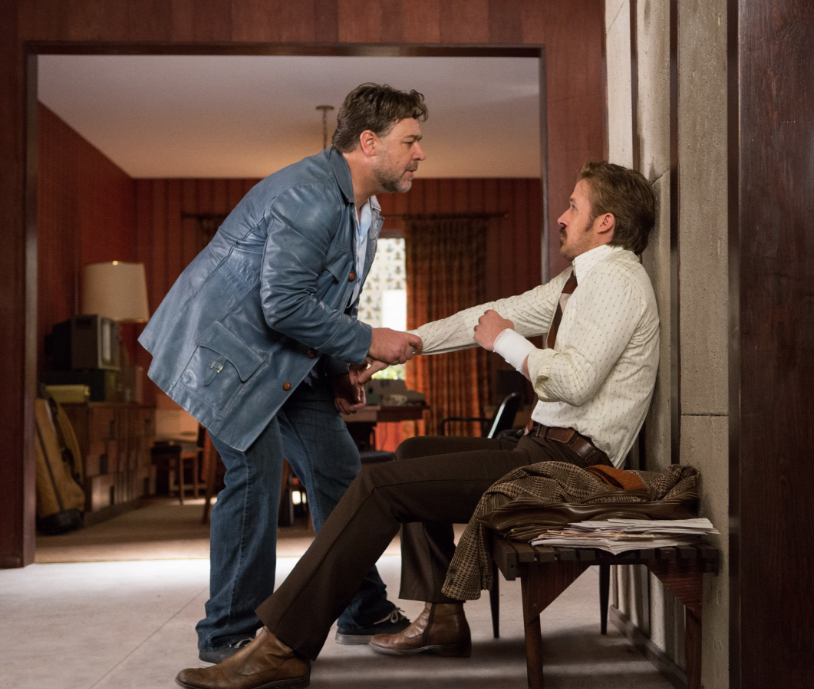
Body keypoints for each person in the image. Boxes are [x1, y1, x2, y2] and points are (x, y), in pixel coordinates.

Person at [174, 160, 659, 689]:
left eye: (573, 206)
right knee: (412, 453)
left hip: (569, 469)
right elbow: (485, 316)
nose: (562, 217)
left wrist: (505, 341)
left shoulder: (616, 280)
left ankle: (282, 647)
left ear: (605, 223)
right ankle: (442, 615)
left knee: (380, 486)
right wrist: (400, 346)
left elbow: (575, 381)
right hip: (542, 451)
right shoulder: (580, 280)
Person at [139, 83, 426, 663]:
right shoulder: (308, 195)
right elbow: (286, 304)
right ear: (369, 143)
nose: (420, 153)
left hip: (287, 354)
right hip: (228, 353)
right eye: (410, 141)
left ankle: (361, 607)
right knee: (255, 471)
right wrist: (370, 340)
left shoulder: (367, 212)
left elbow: (330, 301)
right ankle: (229, 632)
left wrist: (342, 366)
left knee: (339, 471)